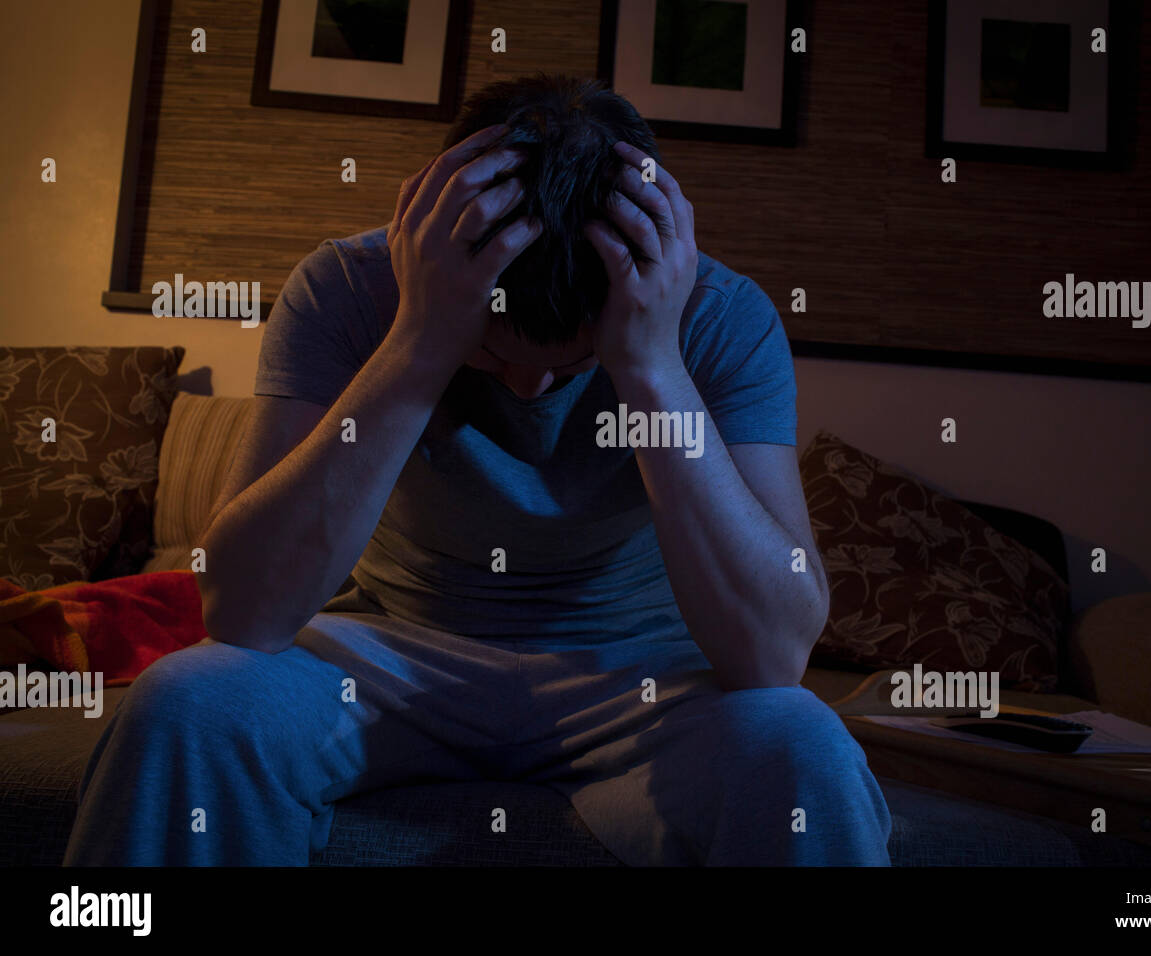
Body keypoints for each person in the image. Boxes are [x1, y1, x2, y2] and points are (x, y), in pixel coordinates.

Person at [63, 73, 892, 866]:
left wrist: (649, 364)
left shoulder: (720, 316)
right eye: (494, 353)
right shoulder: (346, 289)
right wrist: (422, 341)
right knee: (186, 704)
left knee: (804, 747)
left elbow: (773, 656)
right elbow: (240, 610)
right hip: (390, 656)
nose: (530, 388)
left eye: (567, 366)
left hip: (638, 680)